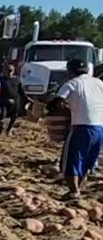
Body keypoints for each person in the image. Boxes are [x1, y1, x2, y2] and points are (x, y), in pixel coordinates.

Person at [47, 58, 103, 201]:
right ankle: (77, 190)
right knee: (87, 161)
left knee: (71, 160)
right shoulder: (99, 83)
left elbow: (57, 103)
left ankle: (74, 192)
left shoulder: (71, 83)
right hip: (99, 128)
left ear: (70, 72)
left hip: (81, 127)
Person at [0, 62, 28, 135]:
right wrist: (5, 100)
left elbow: (21, 91)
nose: (9, 72)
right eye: (8, 70)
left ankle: (8, 130)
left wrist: (27, 99)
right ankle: (0, 132)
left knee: (14, 116)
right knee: (2, 116)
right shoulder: (1, 80)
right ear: (5, 71)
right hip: (4, 101)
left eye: (11, 70)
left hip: (15, 101)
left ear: (13, 71)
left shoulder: (17, 79)